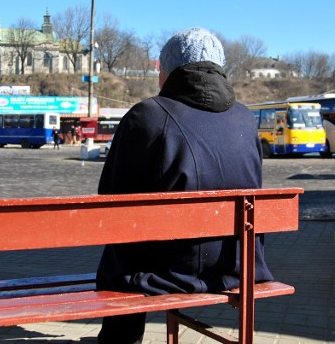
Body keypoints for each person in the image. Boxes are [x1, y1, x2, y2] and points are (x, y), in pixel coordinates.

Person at [95, 27, 274, 344]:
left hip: (168, 275)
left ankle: (120, 338)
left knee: (123, 245)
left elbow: (110, 200)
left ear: (166, 73)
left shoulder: (147, 115)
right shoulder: (246, 119)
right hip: (240, 269)